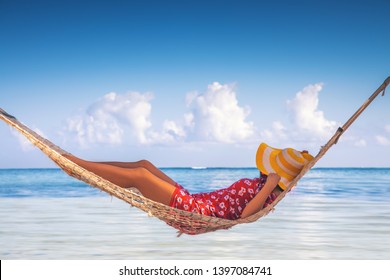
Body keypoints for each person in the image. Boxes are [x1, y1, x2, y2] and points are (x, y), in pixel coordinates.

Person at [63, 142, 313, 220]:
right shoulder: (263, 187)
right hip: (192, 199)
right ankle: (85, 164)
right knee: (145, 164)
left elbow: (246, 214)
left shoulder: (268, 194)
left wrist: (270, 185)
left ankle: (78, 165)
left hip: (192, 212)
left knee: (139, 176)